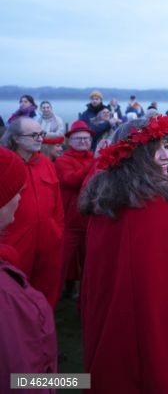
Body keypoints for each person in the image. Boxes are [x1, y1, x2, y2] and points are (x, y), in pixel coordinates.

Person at [79, 116, 168, 392]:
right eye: (155, 149)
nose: (166, 155)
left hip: (111, 324)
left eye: (166, 146)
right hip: (140, 333)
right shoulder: (150, 212)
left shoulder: (107, 201)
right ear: (135, 156)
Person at [0, 146, 58, 386]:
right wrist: (75, 382)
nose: (20, 197)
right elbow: (21, 379)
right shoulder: (6, 295)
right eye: (16, 190)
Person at [0, 117, 64, 308]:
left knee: (47, 286)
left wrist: (58, 232)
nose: (40, 139)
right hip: (14, 239)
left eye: (41, 134)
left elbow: (57, 203)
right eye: (34, 135)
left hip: (48, 239)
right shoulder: (4, 165)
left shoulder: (46, 163)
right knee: (14, 290)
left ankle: (44, 320)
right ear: (16, 138)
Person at [55, 120, 96, 298]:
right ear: (70, 141)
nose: (83, 142)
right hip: (70, 222)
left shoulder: (94, 159)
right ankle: (51, 299)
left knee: (90, 263)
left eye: (86, 139)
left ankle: (86, 298)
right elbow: (72, 181)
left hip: (90, 221)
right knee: (62, 263)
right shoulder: (63, 160)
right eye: (78, 138)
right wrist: (95, 163)